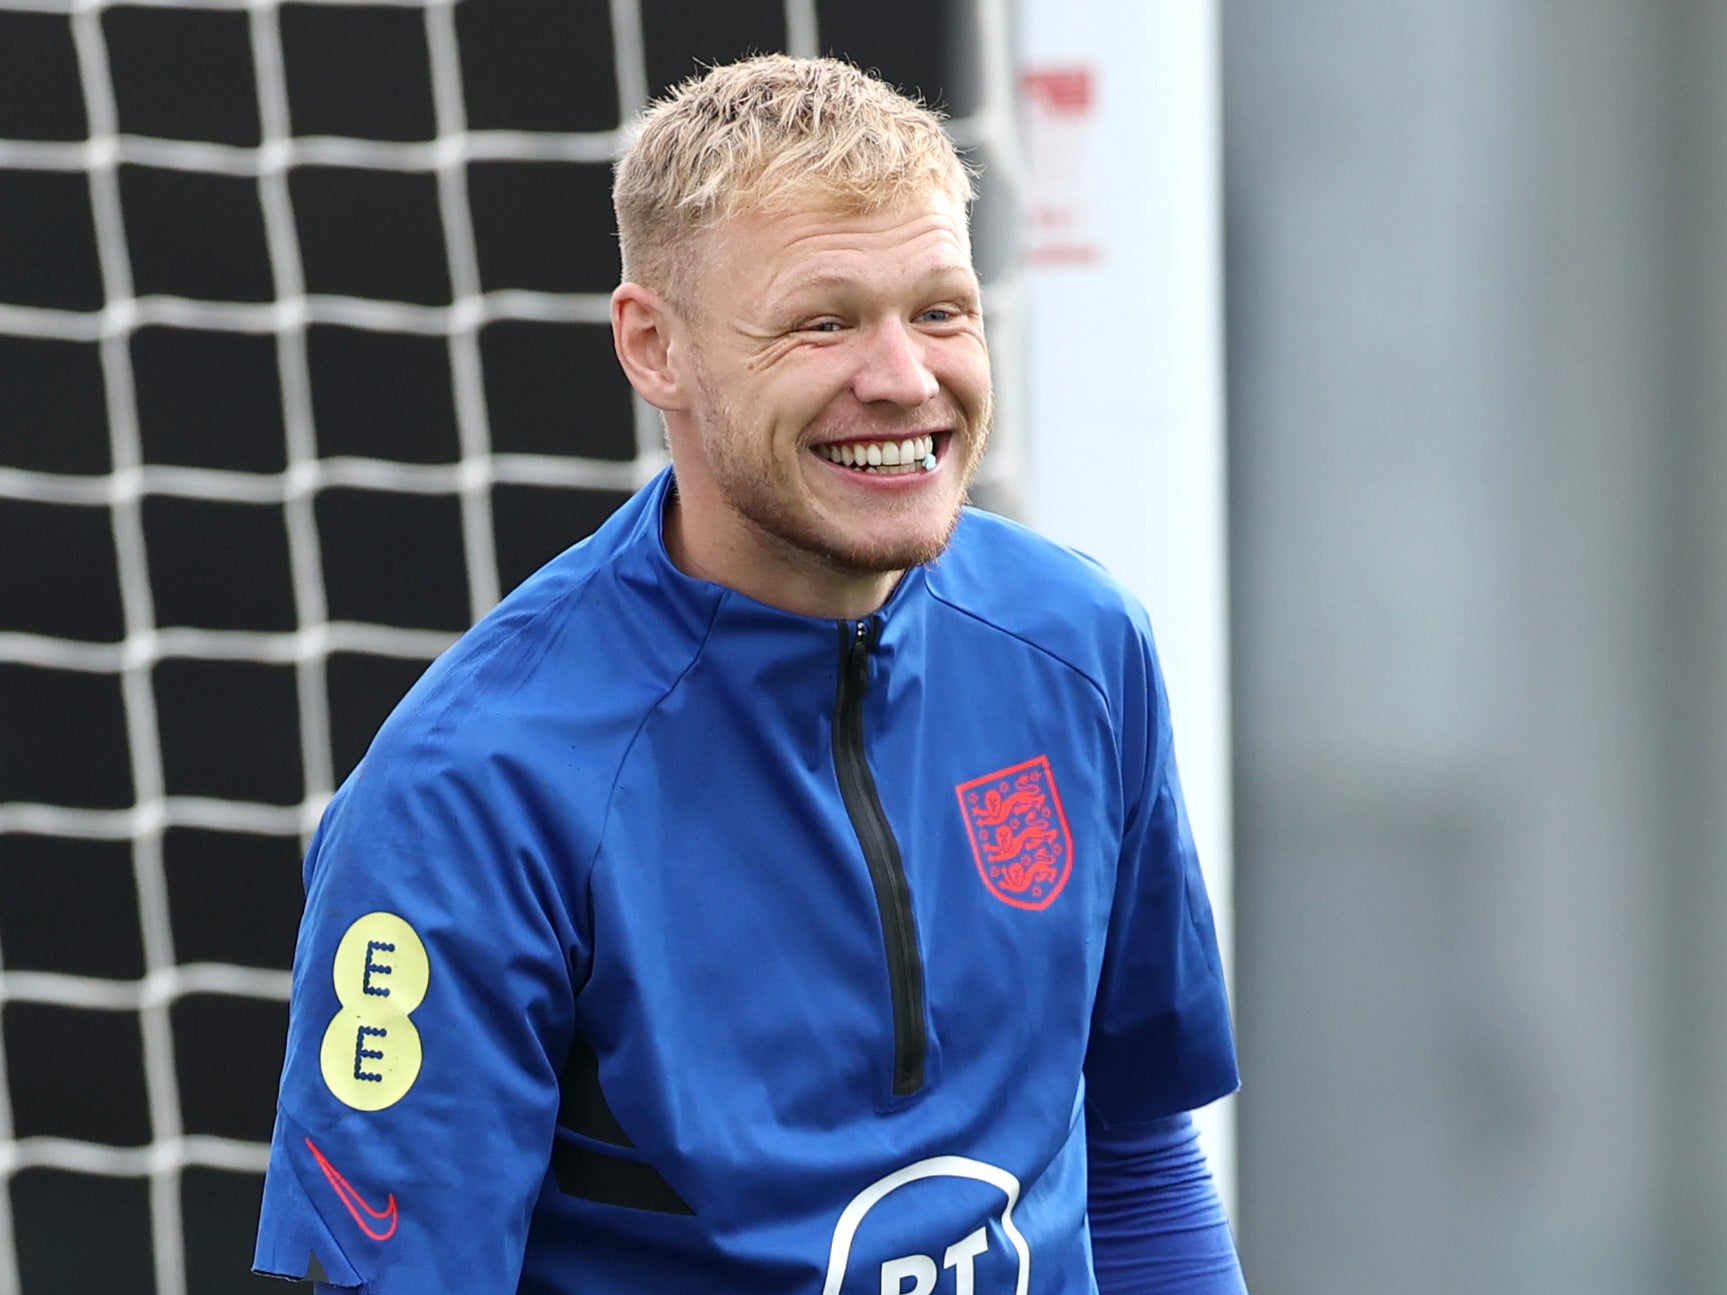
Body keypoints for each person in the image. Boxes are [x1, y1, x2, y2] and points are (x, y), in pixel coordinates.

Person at [253, 54, 1246, 1294]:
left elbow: (1136, 1154)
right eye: (823, 321)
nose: (902, 378)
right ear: (652, 345)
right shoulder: (470, 791)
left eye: (939, 309)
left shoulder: (1080, 645)